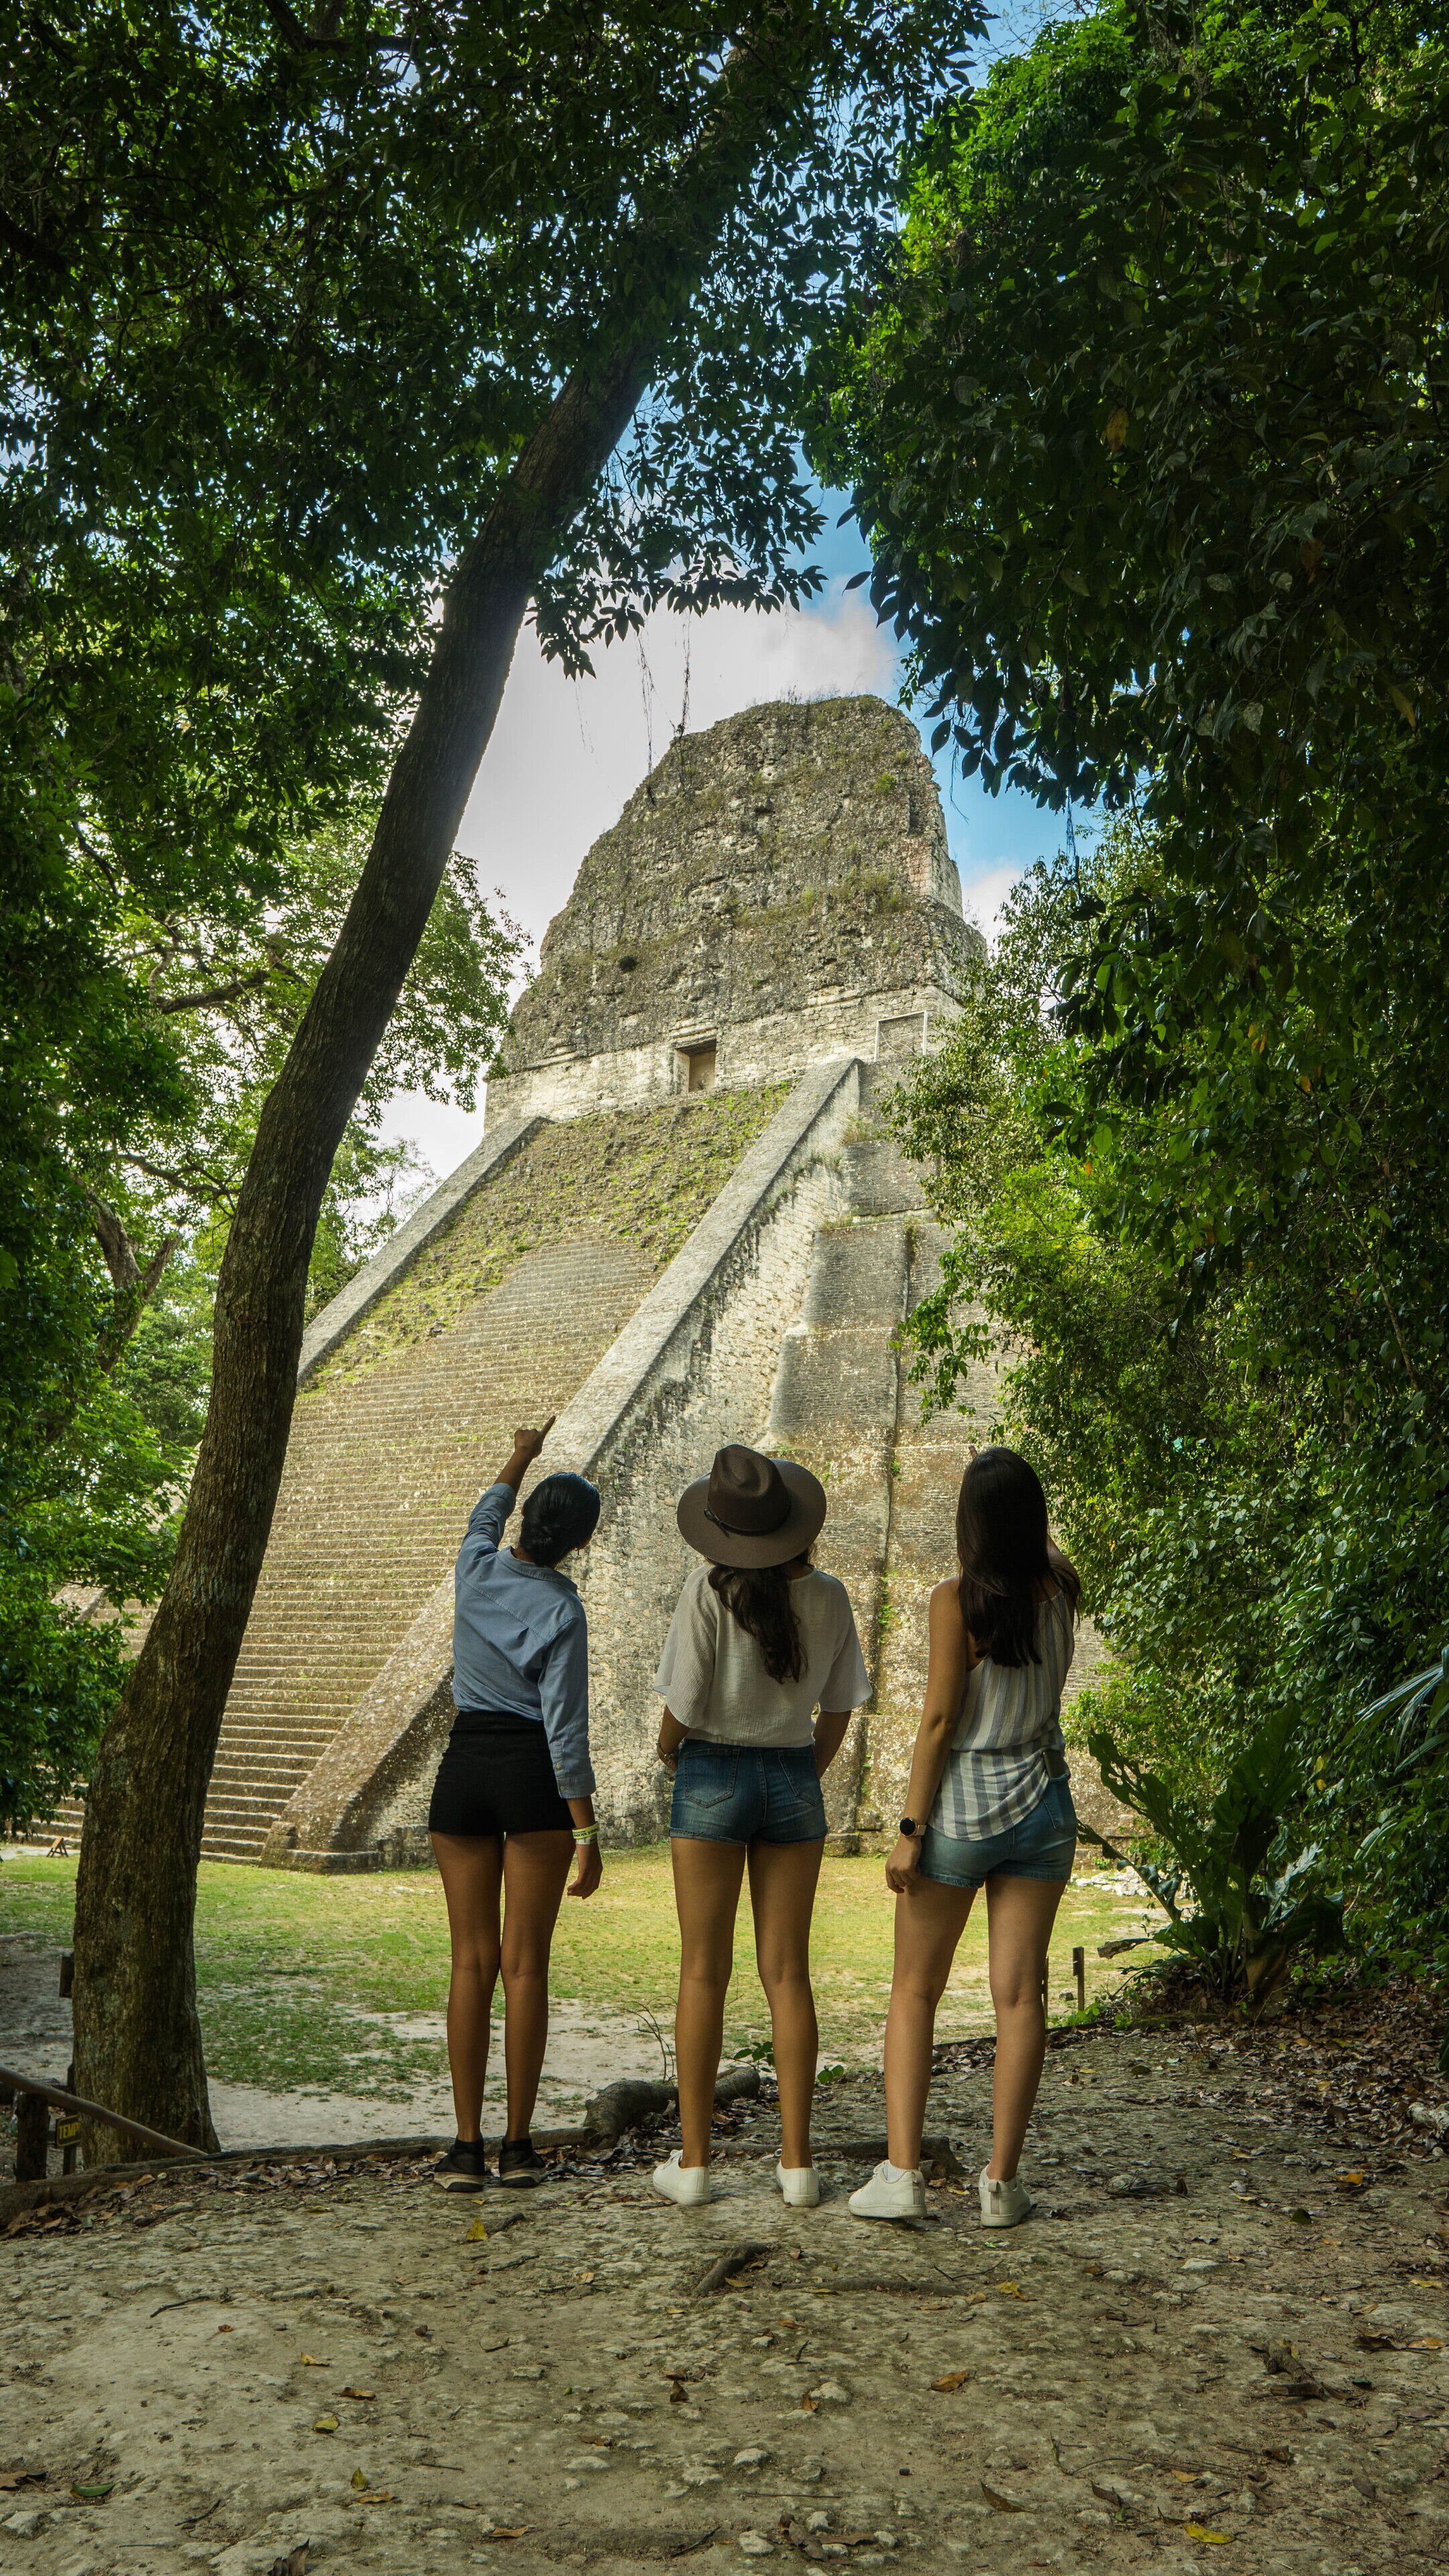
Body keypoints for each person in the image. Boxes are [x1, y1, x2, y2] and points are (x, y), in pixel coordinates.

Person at [850, 1446, 1080, 2231]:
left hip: (964, 1811)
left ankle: (903, 2173)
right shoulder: (1062, 1588)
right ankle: (1001, 2184)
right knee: (1021, 1997)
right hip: (1043, 1808)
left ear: (970, 1523)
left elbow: (941, 1722)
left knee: (915, 1991)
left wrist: (909, 1830)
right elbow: (1039, 1560)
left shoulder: (959, 1602)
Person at [651, 1442, 870, 2210]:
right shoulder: (833, 1596)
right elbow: (840, 1706)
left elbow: (682, 1701)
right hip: (790, 1776)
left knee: (702, 1971)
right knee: (788, 1975)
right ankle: (798, 2164)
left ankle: (696, 2163)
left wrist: (666, 1752)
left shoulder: (707, 1591)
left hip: (710, 1772)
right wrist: (804, 1772)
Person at [428, 1419, 603, 2192]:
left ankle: (464, 2149)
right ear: (578, 1546)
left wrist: (523, 1452)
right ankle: (519, 2147)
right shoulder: (564, 1612)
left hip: (465, 1768)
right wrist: (588, 1832)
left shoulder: (475, 1569)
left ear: (526, 1522)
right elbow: (566, 1731)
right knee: (524, 1967)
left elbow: (483, 1514)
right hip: (532, 1779)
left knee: (471, 1963)